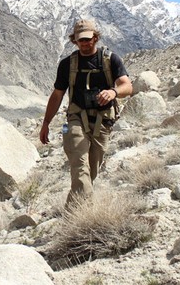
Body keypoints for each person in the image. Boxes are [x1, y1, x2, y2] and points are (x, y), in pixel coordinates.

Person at [39, 19, 132, 206]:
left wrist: (113, 92)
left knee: (91, 171)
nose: (85, 43)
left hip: (103, 121)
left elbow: (127, 86)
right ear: (74, 41)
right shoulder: (67, 64)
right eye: (80, 40)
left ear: (95, 38)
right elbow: (57, 94)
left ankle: (71, 210)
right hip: (75, 119)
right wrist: (46, 123)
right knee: (79, 164)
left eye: (88, 39)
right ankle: (85, 213)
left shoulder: (110, 59)